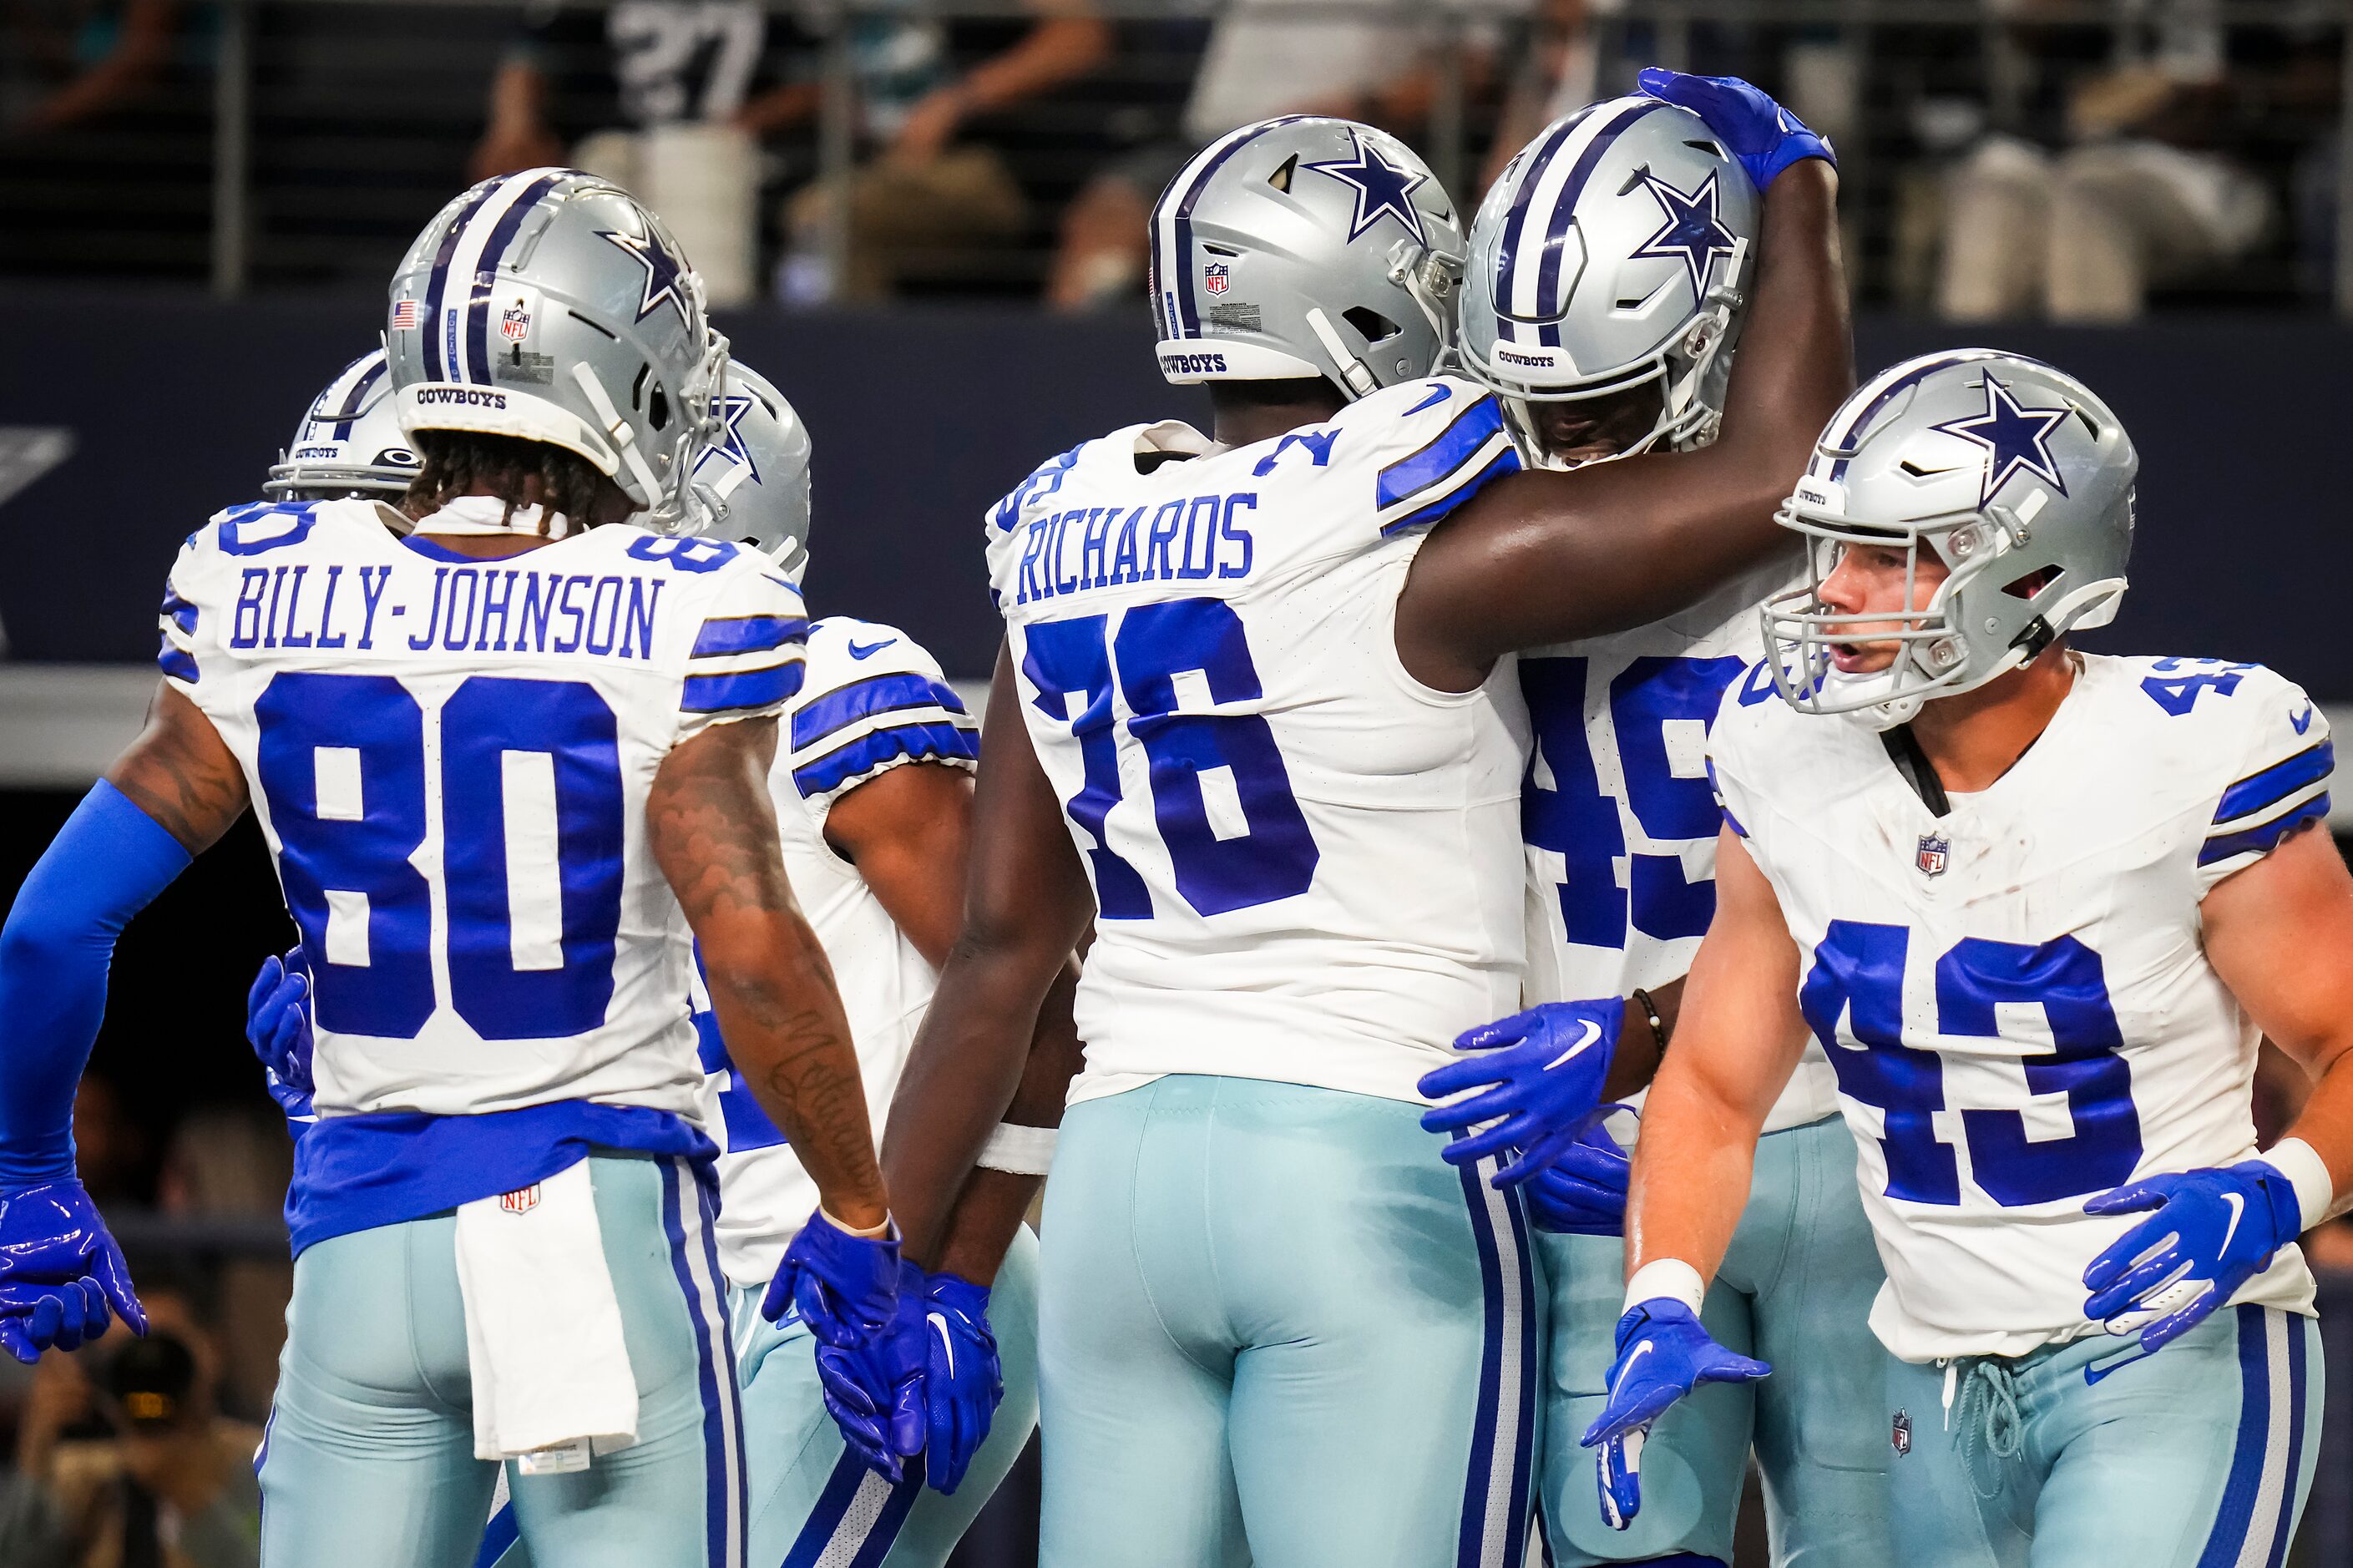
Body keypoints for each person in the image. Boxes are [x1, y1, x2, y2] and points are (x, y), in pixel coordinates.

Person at [854, 72, 1847, 1568]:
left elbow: (1000, 955)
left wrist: (890, 1256)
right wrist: (1797, 196)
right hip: (1373, 1153)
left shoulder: (1056, 527)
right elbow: (1778, 474)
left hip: (1123, 1169)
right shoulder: (1400, 518)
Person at [0, 168, 907, 1567]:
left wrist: (27, 1168)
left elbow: (49, 927)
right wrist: (858, 1204)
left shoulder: (258, 579)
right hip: (588, 1225)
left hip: (359, 1246)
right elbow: (747, 937)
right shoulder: (683, 600)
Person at [245, 357, 1075, 1568]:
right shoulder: (512, 756)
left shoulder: (824, 683)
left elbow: (1039, 997)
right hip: (634, 1306)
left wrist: (951, 1271)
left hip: (846, 1288)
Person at [1591, 348, 2349, 1564]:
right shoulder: (1778, 752)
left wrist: (2279, 1188)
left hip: (2165, 1357)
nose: (1834, 592)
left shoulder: (2191, 754)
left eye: (1892, 554)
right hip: (1929, 1382)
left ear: (2033, 569)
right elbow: (1717, 1083)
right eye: (1832, 548)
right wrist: (1662, 1290)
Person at [1429, 95, 1891, 1567]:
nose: (1559, 444)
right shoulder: (1438, 536)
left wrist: (1627, 1041)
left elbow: (1898, 887)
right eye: (1532, 403)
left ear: (1709, 343)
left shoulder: (1866, 547)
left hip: (1834, 1125)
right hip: (1590, 1153)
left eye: (1598, 405)